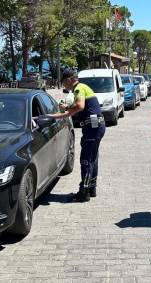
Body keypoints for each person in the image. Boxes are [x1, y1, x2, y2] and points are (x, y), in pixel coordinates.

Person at [49, 68, 106, 202]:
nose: (64, 86)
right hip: (96, 126)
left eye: (63, 83)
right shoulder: (83, 87)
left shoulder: (78, 88)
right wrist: (68, 108)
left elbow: (80, 106)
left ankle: (84, 192)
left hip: (92, 127)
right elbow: (81, 105)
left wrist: (66, 113)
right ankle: (91, 188)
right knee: (92, 158)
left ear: (69, 79)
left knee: (86, 160)